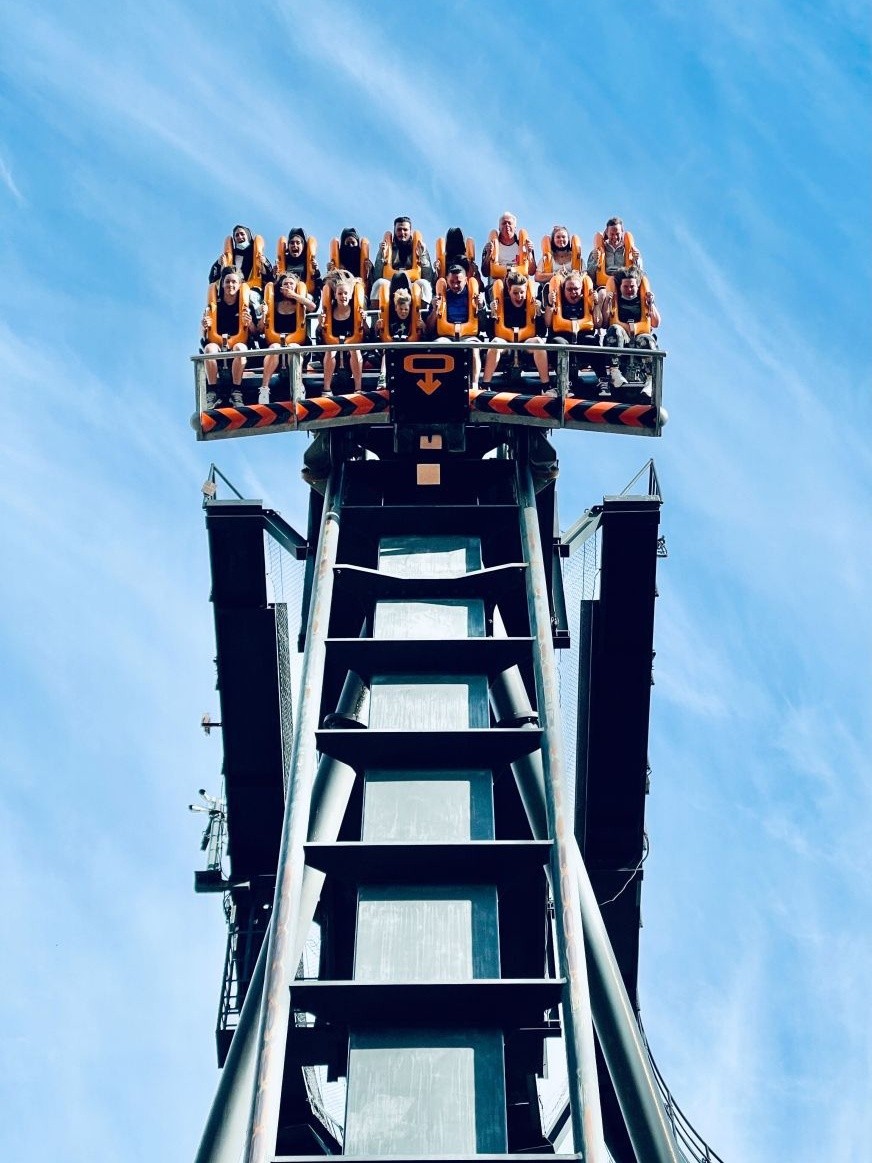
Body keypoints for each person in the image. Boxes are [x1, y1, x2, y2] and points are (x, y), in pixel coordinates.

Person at [482, 268, 550, 388]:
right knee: (495, 343)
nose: (519, 296)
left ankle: (546, 386)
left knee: (539, 342)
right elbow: (490, 332)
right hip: (506, 343)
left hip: (525, 343)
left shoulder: (531, 304)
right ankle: (485, 384)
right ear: (509, 291)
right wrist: (493, 315)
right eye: (515, 293)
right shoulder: (502, 304)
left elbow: (542, 332)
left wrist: (539, 315)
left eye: (522, 292)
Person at [201, 268, 259, 406]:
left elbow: (256, 333)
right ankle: (212, 392)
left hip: (238, 345)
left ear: (239, 285)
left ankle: (236, 391)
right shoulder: (215, 305)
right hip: (218, 345)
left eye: (234, 282)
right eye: (227, 282)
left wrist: (249, 323)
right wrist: (204, 325)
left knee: (240, 347)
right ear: (222, 284)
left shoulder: (246, 306)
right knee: (210, 349)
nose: (230, 285)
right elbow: (204, 334)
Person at [600, 265, 660, 393]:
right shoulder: (615, 301)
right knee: (615, 330)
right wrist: (606, 303)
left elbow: (656, 323)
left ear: (637, 287)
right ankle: (614, 372)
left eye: (632, 286)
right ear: (620, 287)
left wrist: (651, 304)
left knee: (648, 340)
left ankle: (650, 380)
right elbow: (605, 324)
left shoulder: (643, 301)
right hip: (622, 336)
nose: (629, 290)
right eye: (625, 286)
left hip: (639, 335)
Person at [260, 271, 317, 402]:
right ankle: (264, 389)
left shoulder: (300, 303)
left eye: (291, 284)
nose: (288, 286)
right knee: (274, 347)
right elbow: (260, 328)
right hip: (277, 343)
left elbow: (312, 307)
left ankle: (298, 386)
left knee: (293, 348)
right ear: (281, 288)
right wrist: (264, 314)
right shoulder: (274, 305)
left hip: (297, 343)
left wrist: (295, 296)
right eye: (286, 284)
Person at [426, 259, 483, 388]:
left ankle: (474, 385)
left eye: (459, 282)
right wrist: (435, 310)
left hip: (468, 336)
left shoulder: (473, 295)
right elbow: (429, 329)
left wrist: (481, 308)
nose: (455, 285)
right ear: (447, 280)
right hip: (447, 336)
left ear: (466, 280)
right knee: (436, 345)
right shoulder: (440, 296)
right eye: (452, 282)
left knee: (474, 348)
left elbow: (484, 326)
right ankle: (440, 384)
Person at [544, 270, 600, 391]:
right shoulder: (558, 301)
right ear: (563, 290)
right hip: (562, 336)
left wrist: (596, 304)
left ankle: (603, 380)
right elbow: (547, 323)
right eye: (569, 289)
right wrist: (549, 303)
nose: (573, 292)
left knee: (593, 342)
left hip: (582, 337)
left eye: (576, 289)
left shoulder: (586, 301)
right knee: (559, 345)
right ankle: (565, 381)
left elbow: (598, 324)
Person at [318, 272, 366, 394]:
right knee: (331, 349)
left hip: (352, 351)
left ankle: (358, 389)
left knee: (354, 348)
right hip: (333, 348)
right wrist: (320, 323)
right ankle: (327, 389)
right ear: (335, 295)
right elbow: (320, 334)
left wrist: (363, 321)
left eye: (345, 293)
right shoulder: (330, 310)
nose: (343, 296)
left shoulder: (356, 311)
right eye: (340, 293)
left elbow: (366, 333)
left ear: (350, 296)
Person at [371, 216, 434, 306]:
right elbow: (377, 276)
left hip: (412, 284)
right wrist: (382, 255)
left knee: (425, 284)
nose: (402, 233)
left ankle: (423, 317)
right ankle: (375, 317)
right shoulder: (387, 247)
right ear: (395, 231)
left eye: (405, 230)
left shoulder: (418, 247)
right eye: (399, 230)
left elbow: (428, 278)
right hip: (391, 283)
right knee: (379, 283)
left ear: (410, 231)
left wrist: (422, 255)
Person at [208, 225, 273, 290]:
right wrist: (219, 265)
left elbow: (270, 277)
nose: (240, 237)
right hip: (232, 291)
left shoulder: (257, 255)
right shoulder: (229, 256)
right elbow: (212, 279)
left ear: (248, 236)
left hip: (253, 290)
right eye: (237, 235)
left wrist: (264, 264)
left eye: (242, 234)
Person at [481, 211, 536, 288]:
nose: (507, 225)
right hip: (498, 285)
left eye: (509, 223)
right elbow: (485, 273)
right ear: (499, 227)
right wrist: (488, 255)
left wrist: (529, 253)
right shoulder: (490, 246)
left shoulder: (524, 245)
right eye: (504, 223)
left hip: (519, 286)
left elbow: (532, 272)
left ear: (515, 227)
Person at [586, 217, 643, 288]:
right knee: (603, 294)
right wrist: (595, 261)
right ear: (606, 232)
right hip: (604, 286)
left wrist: (636, 260)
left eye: (617, 234)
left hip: (624, 286)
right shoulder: (597, 251)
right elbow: (590, 275)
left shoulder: (631, 251)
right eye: (612, 234)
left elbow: (639, 274)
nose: (615, 237)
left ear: (622, 231)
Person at [276, 227, 322, 298]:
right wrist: (274, 273)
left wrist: (316, 271)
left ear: (303, 246)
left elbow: (319, 284)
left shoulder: (309, 262)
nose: (295, 245)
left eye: (298, 243)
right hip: (285, 295)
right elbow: (275, 282)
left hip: (304, 294)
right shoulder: (283, 261)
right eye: (292, 243)